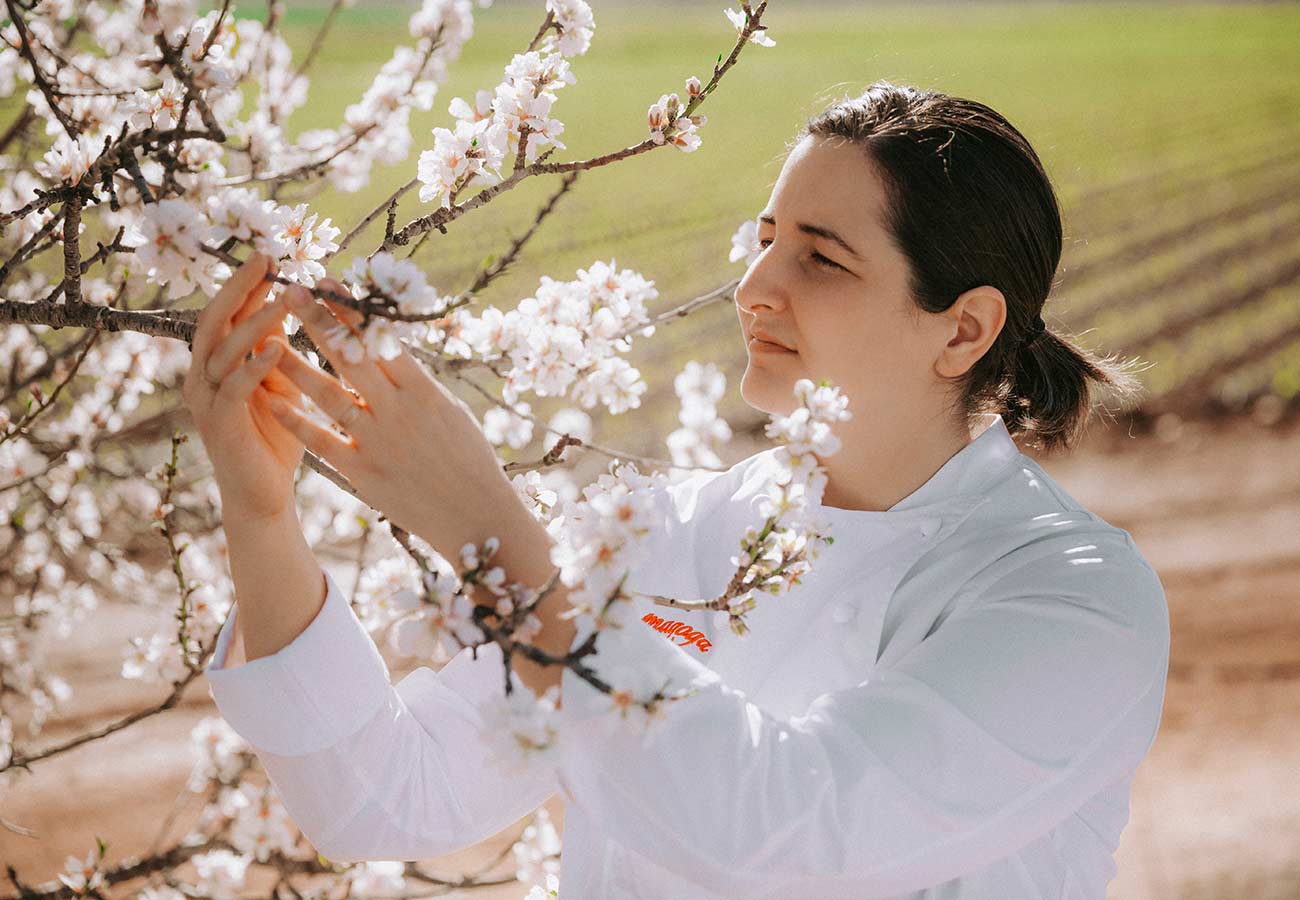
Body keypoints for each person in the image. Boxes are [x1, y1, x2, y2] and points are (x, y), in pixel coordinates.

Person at [186, 81, 1169, 899]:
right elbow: (380, 800)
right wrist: (259, 513)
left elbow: (786, 832)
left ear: (961, 329)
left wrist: (491, 532)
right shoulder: (658, 534)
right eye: (765, 236)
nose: (754, 287)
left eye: (820, 257)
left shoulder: (1073, 599)